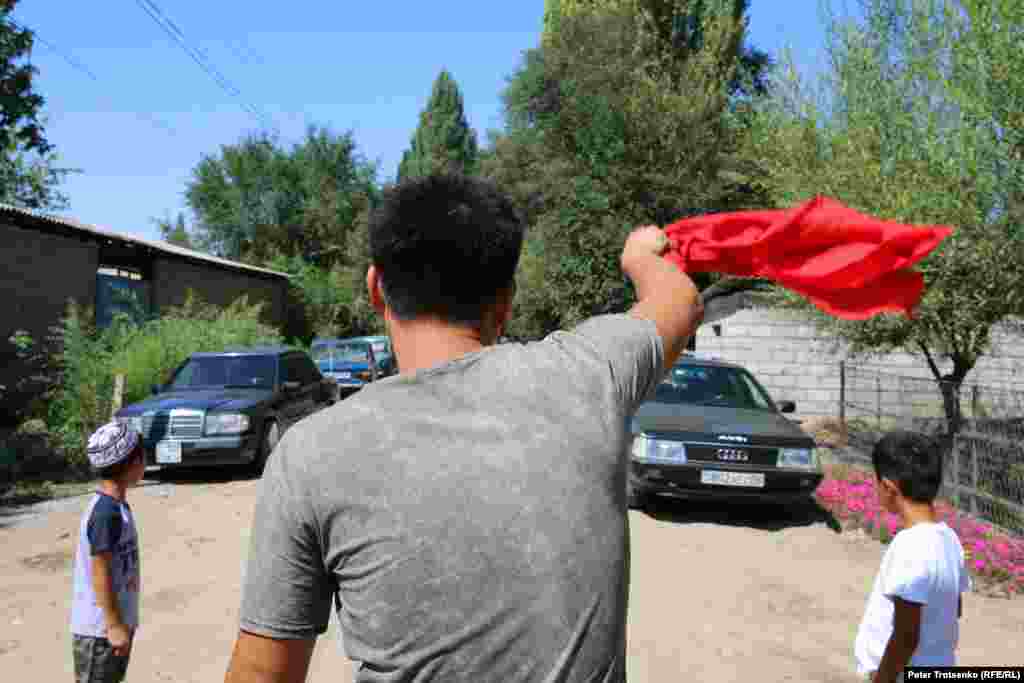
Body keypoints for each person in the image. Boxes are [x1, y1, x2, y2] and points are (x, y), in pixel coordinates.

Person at [225, 173, 703, 682]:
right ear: (507, 299)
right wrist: (641, 256)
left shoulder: (309, 456)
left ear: (375, 288)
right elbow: (680, 301)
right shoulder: (589, 376)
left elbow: (261, 675)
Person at [854, 431, 971, 683]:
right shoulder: (949, 539)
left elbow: (906, 636)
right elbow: (954, 607)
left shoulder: (910, 546)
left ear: (888, 487)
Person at [70, 422, 145, 683]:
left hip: (114, 627)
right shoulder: (105, 513)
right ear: (131, 463)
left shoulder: (117, 507)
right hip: (100, 632)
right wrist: (113, 625)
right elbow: (99, 569)